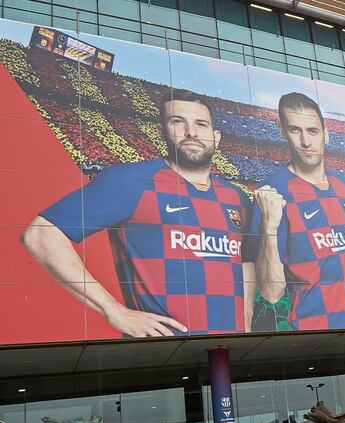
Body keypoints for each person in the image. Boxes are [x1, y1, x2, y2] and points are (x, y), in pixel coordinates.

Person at [23, 89, 255, 337]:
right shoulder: (131, 181)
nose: (191, 132)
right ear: (161, 131)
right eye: (178, 122)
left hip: (229, 349)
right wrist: (113, 310)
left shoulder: (236, 196)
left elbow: (245, 260)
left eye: (201, 124)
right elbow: (41, 235)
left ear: (216, 136)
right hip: (163, 353)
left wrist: (246, 317)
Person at [249, 92, 345, 330]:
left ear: (326, 134)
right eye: (296, 130)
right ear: (282, 131)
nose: (306, 142)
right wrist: (269, 227)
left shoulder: (344, 186)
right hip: (315, 332)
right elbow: (271, 291)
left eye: (313, 131)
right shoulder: (273, 192)